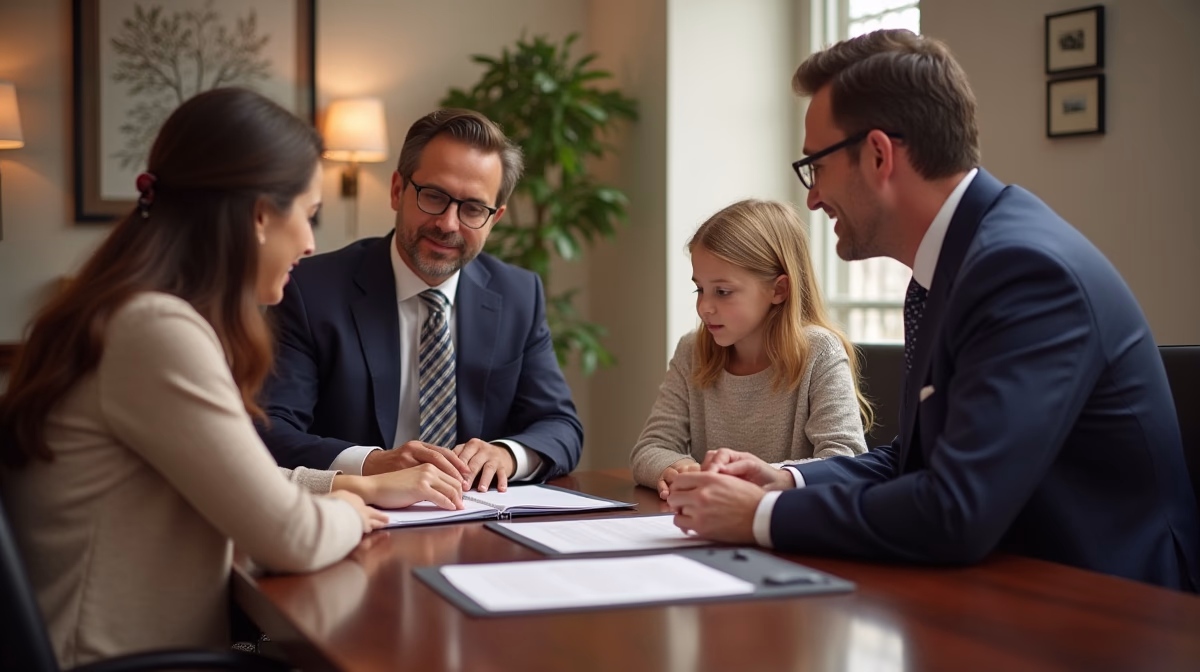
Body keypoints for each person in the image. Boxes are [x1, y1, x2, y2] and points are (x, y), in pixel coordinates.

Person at [667, 29, 1200, 591]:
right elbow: (915, 459)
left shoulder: (1023, 271)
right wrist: (786, 481)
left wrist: (758, 518)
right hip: (1005, 586)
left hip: (1111, 607)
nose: (813, 197)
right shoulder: (951, 266)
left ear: (878, 155)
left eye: (816, 167)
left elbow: (957, 509)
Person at [0, 88, 461, 668]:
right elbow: (289, 537)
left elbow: (236, 480)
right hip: (116, 657)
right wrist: (351, 511)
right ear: (260, 215)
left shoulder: (122, 312)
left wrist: (356, 486)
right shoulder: (154, 331)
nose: (313, 242)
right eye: (309, 213)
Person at [257, 108, 583, 493]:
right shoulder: (312, 290)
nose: (448, 223)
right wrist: (374, 463)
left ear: (494, 219)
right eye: (433, 196)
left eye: (473, 208)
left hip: (476, 520)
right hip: (358, 514)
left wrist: (506, 455)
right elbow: (271, 430)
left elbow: (561, 427)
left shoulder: (518, 294)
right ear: (398, 190)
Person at [630, 199, 869, 499]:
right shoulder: (692, 351)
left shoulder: (820, 352)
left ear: (778, 290)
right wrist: (680, 468)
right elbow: (651, 447)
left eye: (723, 292)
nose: (704, 307)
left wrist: (760, 477)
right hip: (711, 528)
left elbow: (846, 460)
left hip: (788, 530)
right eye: (699, 289)